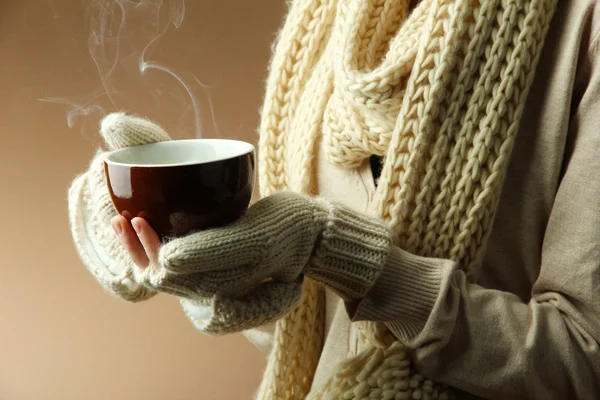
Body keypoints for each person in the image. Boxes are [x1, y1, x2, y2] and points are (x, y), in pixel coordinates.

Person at [68, 0, 600, 399]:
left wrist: (343, 254)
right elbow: (304, 325)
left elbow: (582, 362)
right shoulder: (329, 15)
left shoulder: (585, 22)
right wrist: (207, 257)